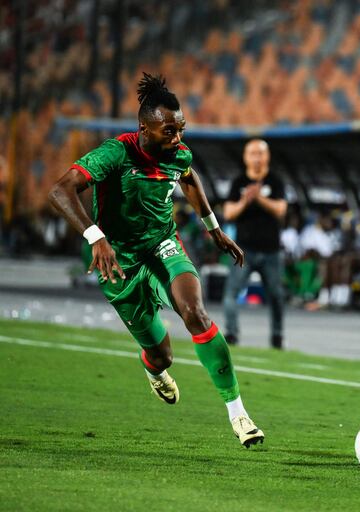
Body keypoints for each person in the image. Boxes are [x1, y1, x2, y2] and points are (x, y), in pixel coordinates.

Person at [48, 73, 264, 448]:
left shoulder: (178, 153)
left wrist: (213, 228)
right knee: (161, 354)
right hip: (118, 261)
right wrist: (95, 236)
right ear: (144, 129)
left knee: (195, 312)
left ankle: (238, 414)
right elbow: (60, 190)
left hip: (163, 245)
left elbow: (189, 177)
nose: (177, 138)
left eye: (180, 129)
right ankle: (154, 368)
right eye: (168, 131)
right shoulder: (116, 153)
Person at [222, 139, 287, 348]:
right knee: (231, 293)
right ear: (245, 157)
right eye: (253, 153)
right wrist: (245, 200)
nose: (257, 158)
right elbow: (228, 213)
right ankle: (231, 334)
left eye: (261, 153)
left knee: (276, 296)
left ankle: (277, 337)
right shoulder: (238, 182)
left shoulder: (276, 182)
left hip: (271, 250)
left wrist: (259, 198)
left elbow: (280, 210)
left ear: (267, 157)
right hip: (244, 250)